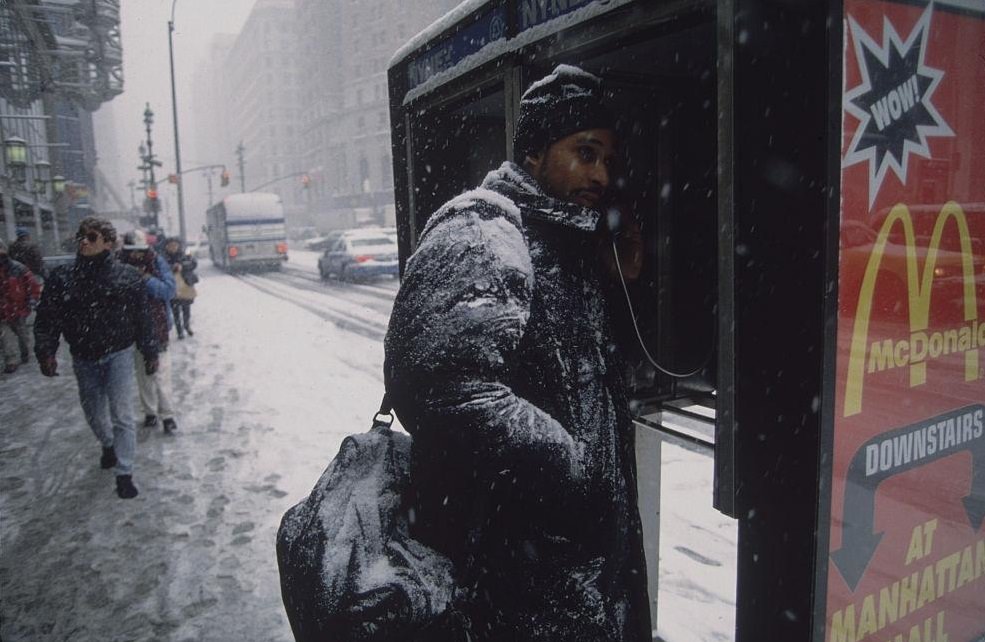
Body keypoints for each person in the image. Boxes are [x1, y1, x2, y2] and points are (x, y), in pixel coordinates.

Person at [383, 64, 650, 640]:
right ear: (534, 152)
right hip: (517, 565)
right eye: (585, 152)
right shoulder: (486, 231)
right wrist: (572, 471)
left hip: (577, 563)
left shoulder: (573, 242)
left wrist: (621, 274)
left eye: (608, 159)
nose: (600, 173)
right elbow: (439, 387)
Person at [34, 217, 159, 499]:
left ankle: (124, 473)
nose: (84, 242)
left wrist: (150, 351)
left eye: (91, 237)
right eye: (81, 236)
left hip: (119, 354)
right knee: (92, 411)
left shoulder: (127, 277)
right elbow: (48, 318)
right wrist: (46, 351)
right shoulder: (62, 277)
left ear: (108, 242)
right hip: (83, 355)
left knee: (122, 414)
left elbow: (143, 318)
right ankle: (108, 444)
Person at [119, 231, 178, 434]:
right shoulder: (118, 265)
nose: (136, 256)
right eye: (132, 252)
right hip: (132, 327)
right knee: (143, 373)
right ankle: (150, 412)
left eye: (139, 251)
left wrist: (146, 279)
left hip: (157, 325)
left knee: (162, 374)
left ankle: (168, 415)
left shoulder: (157, 262)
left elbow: (169, 290)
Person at [0, 239, 41, 374]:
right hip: (2, 311)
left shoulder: (18, 268)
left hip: (18, 309)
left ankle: (25, 353)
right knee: (5, 338)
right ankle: (10, 360)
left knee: (22, 335)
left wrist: (32, 300)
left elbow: (32, 285)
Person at [162, 237, 197, 339]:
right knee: (175, 310)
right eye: (171, 246)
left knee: (186, 308)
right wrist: (172, 267)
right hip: (172, 286)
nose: (173, 248)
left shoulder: (185, 254)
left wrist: (182, 266)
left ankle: (187, 326)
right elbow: (161, 268)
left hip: (185, 284)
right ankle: (179, 331)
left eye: (175, 245)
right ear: (167, 247)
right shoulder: (163, 257)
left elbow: (193, 263)